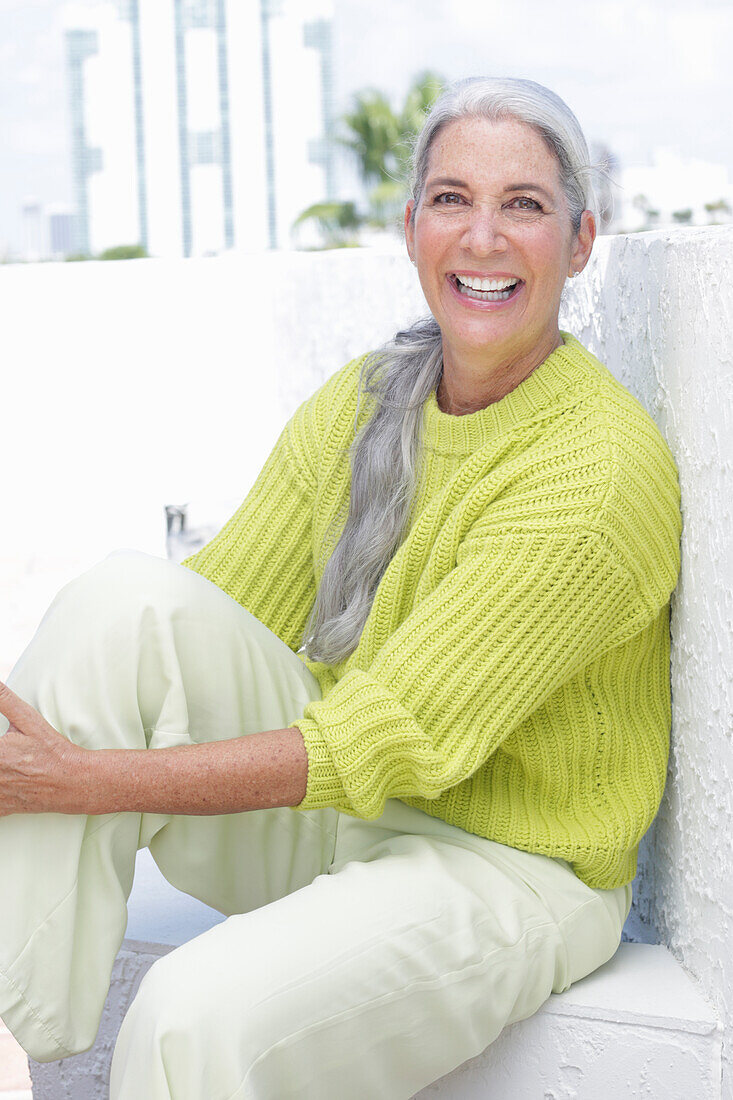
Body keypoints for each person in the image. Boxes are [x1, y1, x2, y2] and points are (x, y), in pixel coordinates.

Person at [0, 76, 682, 1099]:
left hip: (505, 867)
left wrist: (90, 782)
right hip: (344, 812)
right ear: (412, 229)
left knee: (192, 1016)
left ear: (581, 243)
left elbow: (377, 737)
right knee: (122, 600)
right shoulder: (371, 400)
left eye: (524, 205)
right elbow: (214, 618)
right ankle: (21, 1013)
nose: (483, 237)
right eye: (451, 199)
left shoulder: (594, 471)